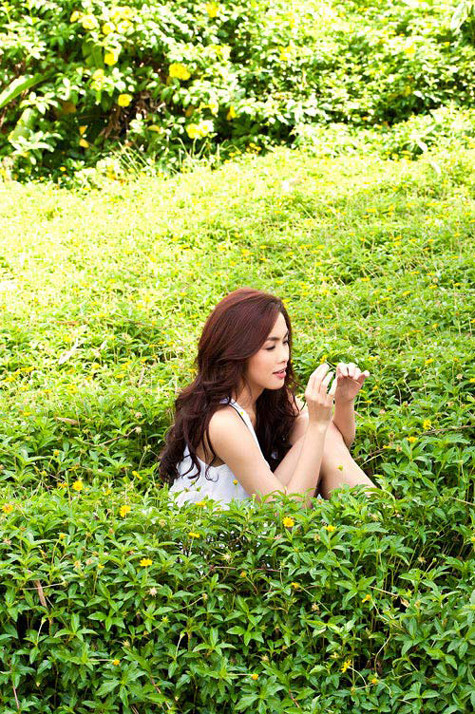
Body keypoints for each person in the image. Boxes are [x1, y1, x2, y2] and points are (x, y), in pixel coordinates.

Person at [160, 287, 376, 509]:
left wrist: (344, 401)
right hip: (232, 526)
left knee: (319, 432)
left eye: (285, 342)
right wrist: (317, 425)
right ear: (238, 351)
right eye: (270, 347)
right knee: (316, 429)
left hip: (265, 512)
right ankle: (382, 516)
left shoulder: (268, 397)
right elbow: (287, 516)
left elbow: (336, 444)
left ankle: (382, 515)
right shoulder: (223, 422)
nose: (284, 356)